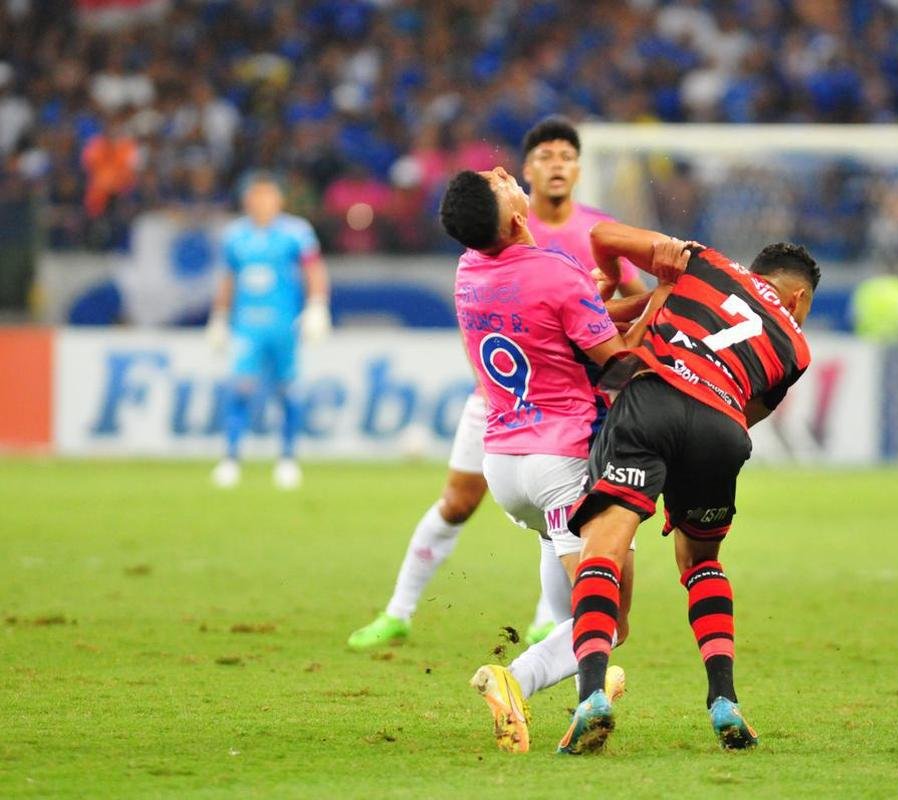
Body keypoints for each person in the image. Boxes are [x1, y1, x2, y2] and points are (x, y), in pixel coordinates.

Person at [347, 117, 645, 652]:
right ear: (527, 174)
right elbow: (610, 347)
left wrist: (602, 306)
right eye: (544, 156)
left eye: (566, 155)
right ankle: (402, 613)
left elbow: (603, 307)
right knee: (473, 504)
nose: (556, 164)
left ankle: (552, 634)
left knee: (551, 523)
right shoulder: (533, 249)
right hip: (519, 401)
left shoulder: (591, 230)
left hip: (539, 404)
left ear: (579, 168)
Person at [441, 167, 682, 753]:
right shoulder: (553, 271)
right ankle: (513, 679)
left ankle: (581, 692)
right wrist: (668, 297)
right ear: (518, 216)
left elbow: (552, 329)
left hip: (505, 464)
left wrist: (607, 303)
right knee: (610, 619)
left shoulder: (470, 268)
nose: (506, 171)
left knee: (575, 601)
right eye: (500, 181)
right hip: (562, 464)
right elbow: (617, 366)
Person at [557, 222, 819, 754]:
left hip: (652, 399)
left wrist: (610, 280)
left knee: (602, 551)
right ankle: (724, 700)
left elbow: (604, 234)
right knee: (700, 563)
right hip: (720, 428)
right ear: (799, 297)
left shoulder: (707, 263)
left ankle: (591, 698)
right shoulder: (797, 348)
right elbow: (748, 414)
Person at [206, 171, 331, 490]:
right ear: (247, 200)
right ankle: (231, 459)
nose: (261, 202)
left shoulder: (296, 232)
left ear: (279, 200)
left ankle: (287, 459)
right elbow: (228, 277)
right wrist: (219, 316)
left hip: (284, 324)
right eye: (255, 196)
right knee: (240, 388)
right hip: (247, 325)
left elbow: (313, 269)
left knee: (287, 390)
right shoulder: (235, 235)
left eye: (267, 195)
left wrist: (317, 304)